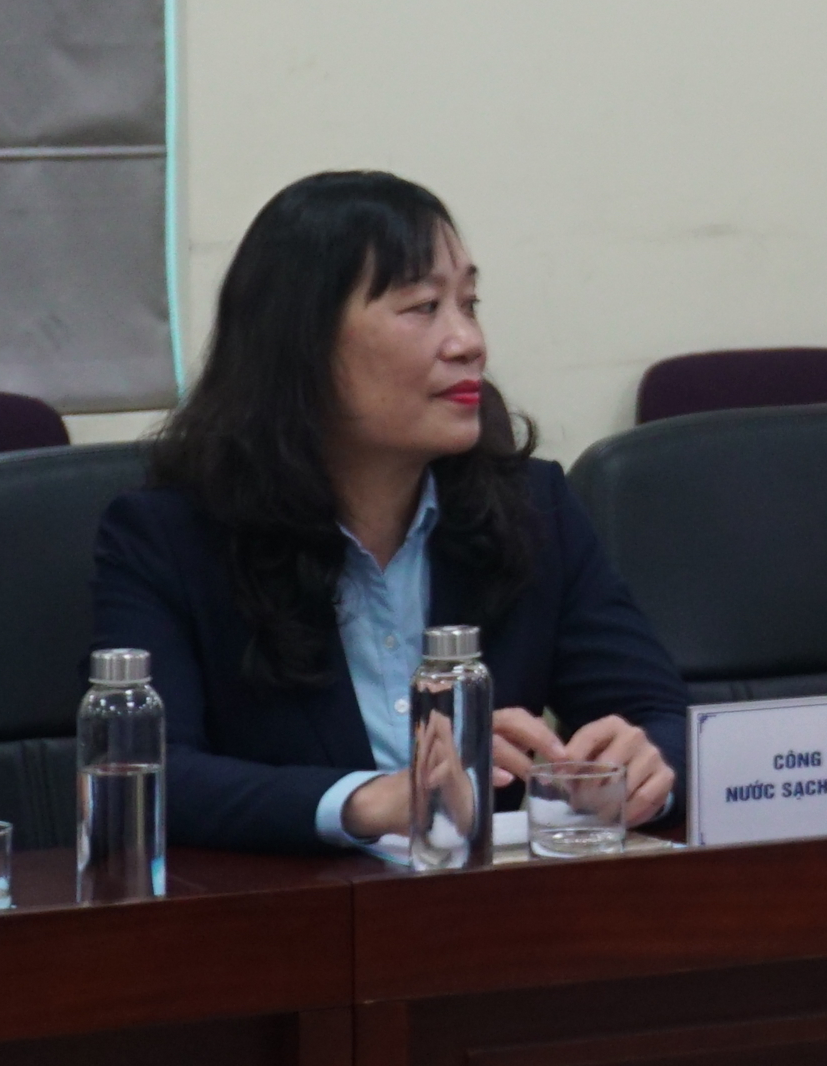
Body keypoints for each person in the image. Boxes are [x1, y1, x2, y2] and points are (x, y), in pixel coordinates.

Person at [90, 173, 689, 853]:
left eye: (469, 304)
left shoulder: (533, 507)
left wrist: (647, 772)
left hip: (493, 904)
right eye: (425, 307)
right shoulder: (167, 537)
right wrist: (367, 799)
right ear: (303, 341)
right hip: (289, 906)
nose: (468, 342)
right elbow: (147, 774)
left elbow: (664, 719)